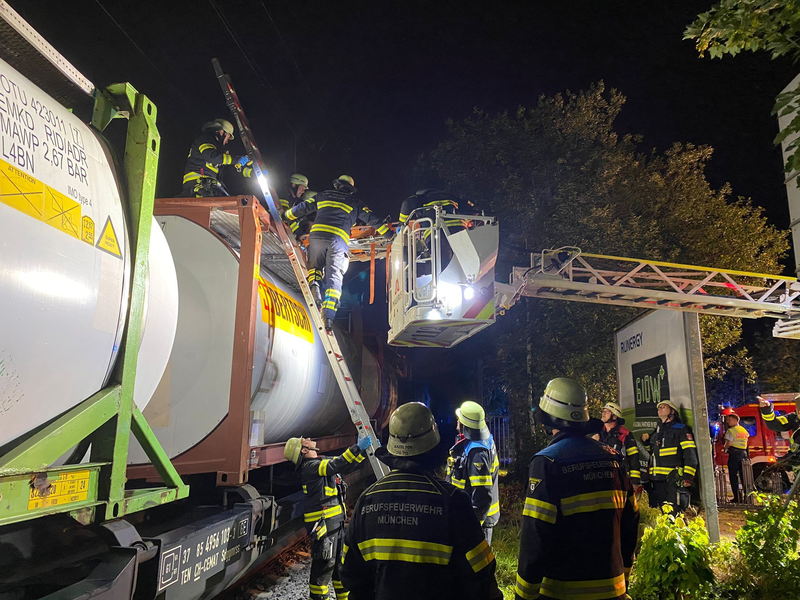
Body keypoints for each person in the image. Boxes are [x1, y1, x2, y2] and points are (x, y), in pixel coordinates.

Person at [339, 402, 501, 600]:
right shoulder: (454, 502)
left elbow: (350, 574)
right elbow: (482, 575)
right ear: (434, 447)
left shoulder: (366, 501)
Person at [516, 378, 639, 600]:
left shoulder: (547, 462)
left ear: (548, 418)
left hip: (561, 592)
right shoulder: (615, 459)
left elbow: (535, 535)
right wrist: (624, 577)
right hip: (613, 590)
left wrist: (524, 595)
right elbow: (631, 520)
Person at [284, 175, 390, 331]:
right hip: (337, 241)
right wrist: (390, 235)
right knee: (334, 277)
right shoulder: (355, 202)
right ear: (351, 190)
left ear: (337, 186)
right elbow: (374, 220)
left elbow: (301, 209)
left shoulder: (323, 195)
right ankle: (328, 317)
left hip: (316, 238)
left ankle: (315, 293)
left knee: (314, 268)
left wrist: (285, 216)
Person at [284, 435, 374, 600]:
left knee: (339, 565)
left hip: (335, 522)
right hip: (324, 525)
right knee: (324, 567)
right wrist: (357, 447)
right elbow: (336, 464)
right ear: (304, 450)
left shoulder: (320, 462)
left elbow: (344, 466)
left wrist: (362, 453)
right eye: (304, 440)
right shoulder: (311, 467)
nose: (308, 438)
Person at [446, 401, 500, 543]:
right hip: (469, 516)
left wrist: (473, 524)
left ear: (466, 425)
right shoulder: (481, 442)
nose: (457, 421)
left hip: (476, 520)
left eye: (460, 419)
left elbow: (482, 494)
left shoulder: (477, 453)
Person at [641, 399, 699, 514]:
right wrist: (646, 442)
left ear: (672, 411)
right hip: (657, 479)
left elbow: (690, 455)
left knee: (675, 512)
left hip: (674, 479)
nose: (660, 408)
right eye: (659, 407)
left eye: (664, 406)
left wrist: (687, 477)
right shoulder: (657, 431)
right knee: (664, 513)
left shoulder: (681, 429)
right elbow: (653, 451)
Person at [179, 119, 252, 197]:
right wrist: (236, 160)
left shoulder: (215, 149)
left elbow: (227, 168)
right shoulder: (206, 139)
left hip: (206, 184)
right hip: (198, 182)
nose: (227, 142)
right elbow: (212, 157)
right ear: (221, 132)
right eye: (227, 138)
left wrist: (250, 171)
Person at [598, 402, 642, 488]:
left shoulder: (625, 434)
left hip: (620, 479)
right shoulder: (596, 433)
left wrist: (635, 482)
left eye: (607, 412)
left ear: (615, 416)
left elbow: (634, 459)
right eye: (603, 411)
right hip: (601, 478)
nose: (603, 414)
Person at [722, 410, 750, 503]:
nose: (728, 422)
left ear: (735, 420)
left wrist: (724, 448)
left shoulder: (731, 430)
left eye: (729, 420)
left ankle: (737, 498)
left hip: (734, 455)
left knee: (733, 476)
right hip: (744, 454)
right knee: (744, 477)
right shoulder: (743, 430)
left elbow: (729, 443)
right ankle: (747, 497)